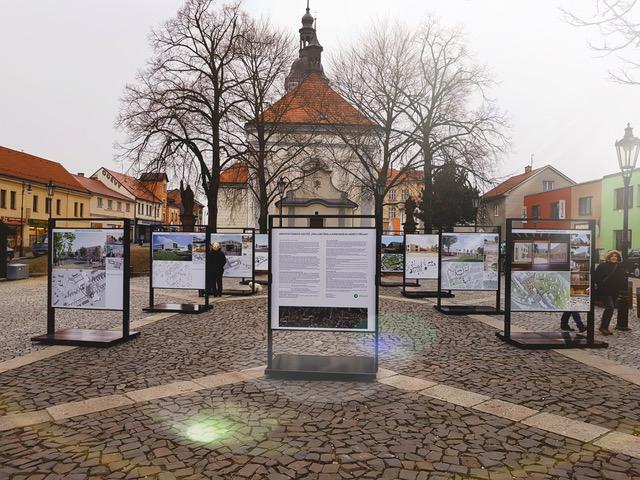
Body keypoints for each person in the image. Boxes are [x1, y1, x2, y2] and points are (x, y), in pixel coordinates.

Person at [594, 250, 627, 335]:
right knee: (610, 307)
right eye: (612, 256)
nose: (614, 257)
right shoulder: (602, 266)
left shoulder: (619, 267)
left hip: (614, 292)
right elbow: (596, 277)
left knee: (610, 309)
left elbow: (622, 279)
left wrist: (622, 288)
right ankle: (603, 327)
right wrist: (601, 284)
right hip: (604, 291)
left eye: (615, 256)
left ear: (618, 258)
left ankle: (605, 327)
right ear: (608, 257)